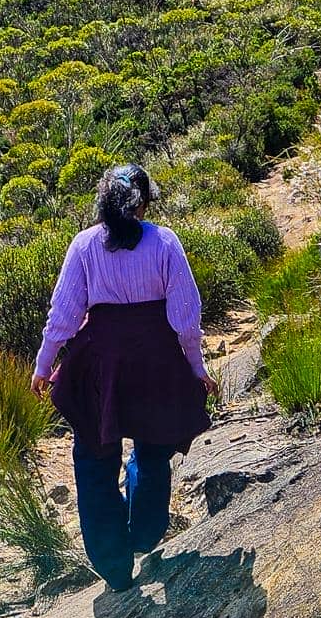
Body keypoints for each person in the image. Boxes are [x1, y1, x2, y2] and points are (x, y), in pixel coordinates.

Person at [29, 163, 218, 591]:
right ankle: (145, 534)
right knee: (152, 454)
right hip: (156, 362)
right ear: (145, 202)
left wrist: (43, 366)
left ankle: (113, 566)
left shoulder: (83, 246)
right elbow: (186, 318)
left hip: (99, 365)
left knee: (94, 462)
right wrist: (195, 366)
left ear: (102, 204)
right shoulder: (165, 242)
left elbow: (63, 316)